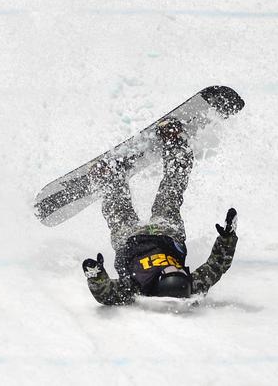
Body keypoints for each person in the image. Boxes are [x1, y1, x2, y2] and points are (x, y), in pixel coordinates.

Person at [81, 117, 239, 305]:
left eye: (173, 271)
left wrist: (96, 276)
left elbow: (107, 295)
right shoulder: (191, 285)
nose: (178, 269)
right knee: (169, 195)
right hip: (166, 233)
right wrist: (227, 238)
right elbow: (217, 266)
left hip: (129, 241)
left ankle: (110, 179)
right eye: (180, 271)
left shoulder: (137, 287)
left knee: (119, 213)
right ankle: (176, 144)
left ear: (161, 278)